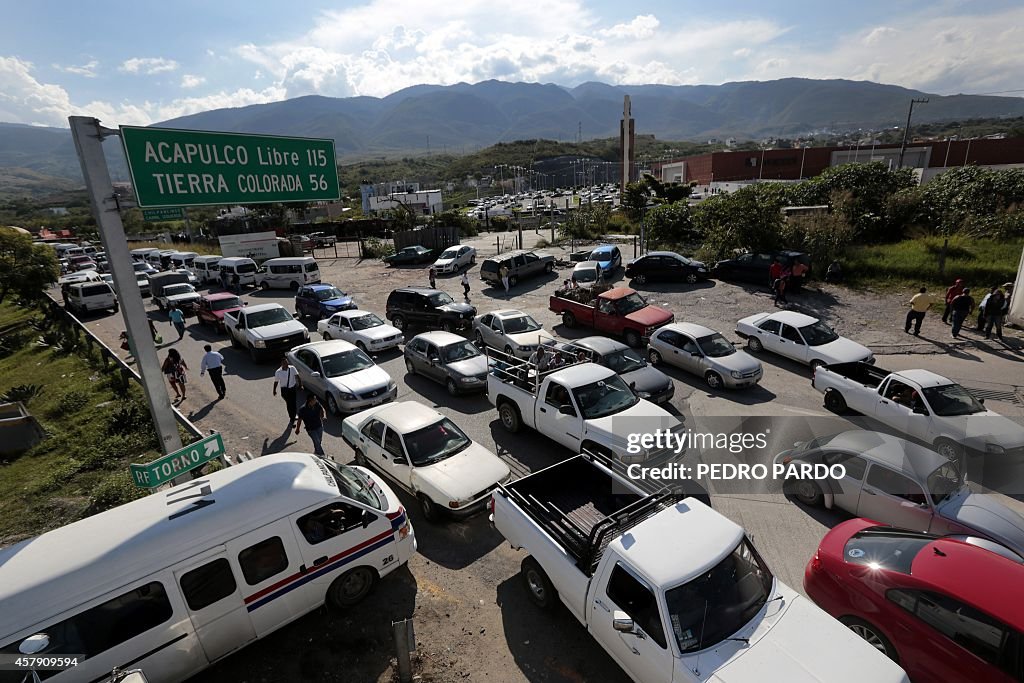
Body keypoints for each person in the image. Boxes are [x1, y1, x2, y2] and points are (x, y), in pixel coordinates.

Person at [273, 357, 302, 423]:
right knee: (289, 404)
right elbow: (276, 382)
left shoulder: (292, 368)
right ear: (281, 364)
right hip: (285, 390)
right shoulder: (278, 372)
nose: (286, 364)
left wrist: (300, 385)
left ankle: (294, 415)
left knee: (293, 403)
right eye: (284, 363)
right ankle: (292, 418)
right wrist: (274, 390)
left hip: (293, 388)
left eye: (286, 362)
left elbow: (297, 376)